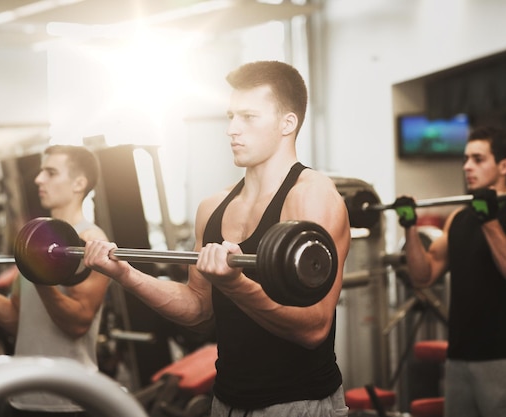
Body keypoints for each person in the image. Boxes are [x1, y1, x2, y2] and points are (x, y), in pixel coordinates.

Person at [84, 60, 351, 416]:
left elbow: (314, 327)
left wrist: (235, 284)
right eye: (230, 116)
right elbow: (198, 308)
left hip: (297, 402)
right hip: (225, 401)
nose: (232, 130)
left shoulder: (312, 196)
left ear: (288, 123)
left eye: (248, 117)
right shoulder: (213, 207)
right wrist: (124, 274)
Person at [0, 145, 111, 417]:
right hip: (22, 395)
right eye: (40, 173)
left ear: (79, 183)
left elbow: (78, 323)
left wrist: (39, 275)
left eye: (50, 173)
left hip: (69, 401)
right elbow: (15, 319)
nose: (38, 180)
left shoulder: (92, 242)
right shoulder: (36, 242)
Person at [392, 126, 506, 417]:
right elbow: (423, 276)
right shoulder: (459, 219)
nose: (467, 167)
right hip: (459, 358)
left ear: (504, 166)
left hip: (504, 359)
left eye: (477, 159)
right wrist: (410, 228)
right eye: (465, 159)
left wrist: (489, 220)